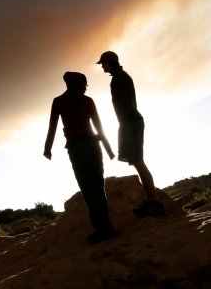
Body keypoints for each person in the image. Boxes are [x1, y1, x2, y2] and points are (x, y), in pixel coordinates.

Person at [44, 71, 117, 244]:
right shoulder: (86, 101)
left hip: (77, 148)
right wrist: (108, 149)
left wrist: (47, 149)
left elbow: (52, 127)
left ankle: (102, 229)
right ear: (76, 84)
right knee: (98, 187)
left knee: (89, 189)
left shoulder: (59, 101)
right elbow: (99, 126)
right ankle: (106, 228)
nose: (86, 88)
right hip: (93, 146)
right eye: (85, 84)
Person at [97, 51, 165, 217]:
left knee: (138, 161)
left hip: (130, 123)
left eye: (103, 64)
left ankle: (154, 203)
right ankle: (151, 201)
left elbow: (125, 104)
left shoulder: (120, 77)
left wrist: (126, 125)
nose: (102, 67)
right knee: (136, 161)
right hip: (128, 123)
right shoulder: (119, 76)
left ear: (108, 62)